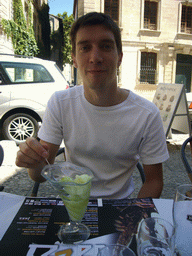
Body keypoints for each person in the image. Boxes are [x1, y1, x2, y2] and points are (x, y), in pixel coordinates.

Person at [16, 12, 169, 199]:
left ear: (119, 56)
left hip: (118, 208)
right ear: (74, 58)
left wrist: (133, 218)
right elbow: (40, 175)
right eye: (85, 48)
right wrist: (33, 162)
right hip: (72, 205)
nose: (95, 57)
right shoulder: (60, 103)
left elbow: (154, 181)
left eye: (105, 46)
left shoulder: (146, 113)